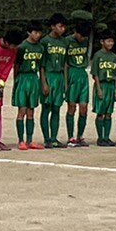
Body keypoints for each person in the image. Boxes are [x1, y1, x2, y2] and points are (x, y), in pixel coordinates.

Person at [38, 13, 69, 150]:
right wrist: (44, 83)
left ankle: (54, 138)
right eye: (60, 26)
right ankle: (47, 139)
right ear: (52, 26)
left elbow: (66, 64)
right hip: (49, 76)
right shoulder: (45, 42)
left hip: (59, 77)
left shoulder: (64, 42)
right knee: (46, 108)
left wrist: (66, 82)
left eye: (64, 27)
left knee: (57, 108)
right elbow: (42, 65)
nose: (62, 29)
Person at [64, 20, 92, 148]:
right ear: (76, 33)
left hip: (82, 74)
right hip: (72, 73)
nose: (83, 38)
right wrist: (66, 82)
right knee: (71, 107)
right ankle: (71, 137)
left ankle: (80, 136)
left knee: (84, 108)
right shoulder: (67, 41)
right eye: (81, 36)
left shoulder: (86, 41)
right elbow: (65, 64)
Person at [90, 28, 116, 147]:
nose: (111, 44)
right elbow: (95, 73)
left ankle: (107, 137)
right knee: (100, 113)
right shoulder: (97, 55)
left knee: (109, 113)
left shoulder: (114, 56)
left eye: (112, 41)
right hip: (102, 85)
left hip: (111, 86)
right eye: (108, 41)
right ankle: (100, 137)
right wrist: (98, 89)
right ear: (102, 42)